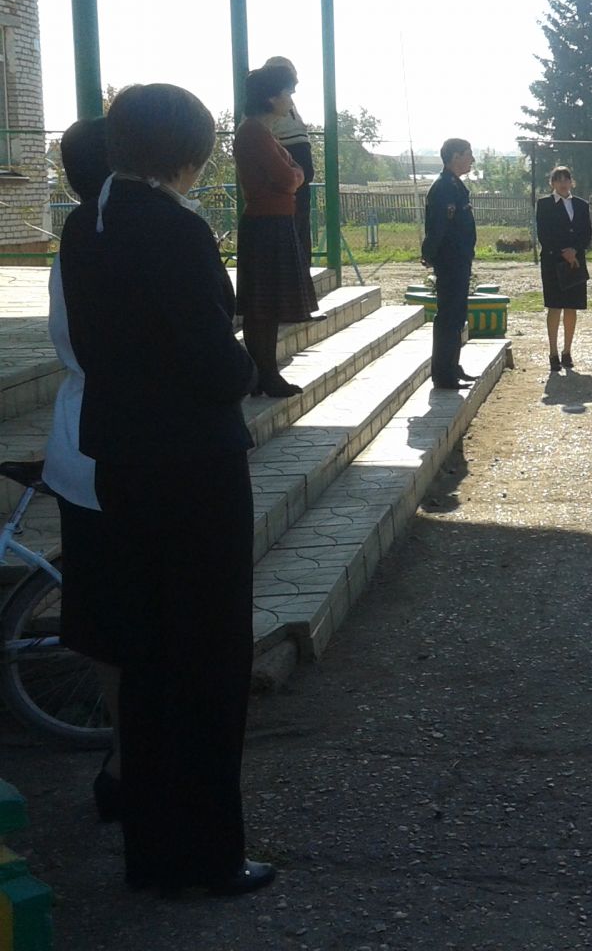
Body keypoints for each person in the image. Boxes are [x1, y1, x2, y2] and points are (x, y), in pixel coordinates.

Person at [58, 82, 270, 895]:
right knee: (207, 660)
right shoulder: (177, 228)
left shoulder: (86, 222)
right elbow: (214, 361)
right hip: (193, 468)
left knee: (146, 662)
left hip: (120, 460)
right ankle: (207, 855)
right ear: (189, 152)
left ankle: (152, 853)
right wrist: (245, 368)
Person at [46, 118, 120, 822]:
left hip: (78, 444)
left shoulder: (78, 229)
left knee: (102, 616)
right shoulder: (117, 231)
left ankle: (125, 756)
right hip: (115, 448)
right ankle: (131, 758)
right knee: (125, 616)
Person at [233, 63, 316, 397]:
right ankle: (265, 374)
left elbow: (295, 172)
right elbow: (288, 177)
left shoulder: (264, 133)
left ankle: (265, 373)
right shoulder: (253, 132)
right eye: (287, 92)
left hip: (274, 222)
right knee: (262, 307)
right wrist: (294, 174)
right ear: (270, 97)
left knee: (267, 307)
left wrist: (293, 174)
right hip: (265, 225)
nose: (290, 100)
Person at [423, 139, 479, 388]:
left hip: (459, 260)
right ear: (455, 157)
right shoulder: (444, 187)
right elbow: (438, 227)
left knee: (457, 315)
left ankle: (452, 366)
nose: (472, 159)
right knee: (448, 316)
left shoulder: (454, 184)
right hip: (450, 260)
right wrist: (429, 254)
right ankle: (443, 374)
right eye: (468, 154)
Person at [534, 165, 592, 372]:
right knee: (554, 306)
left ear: (571, 182)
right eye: (558, 180)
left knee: (571, 306)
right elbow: (544, 234)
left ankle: (567, 351)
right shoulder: (544, 204)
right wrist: (562, 252)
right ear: (552, 183)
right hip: (553, 261)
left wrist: (574, 250)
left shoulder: (581, 205)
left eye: (566, 179)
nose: (563, 183)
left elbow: (586, 233)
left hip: (575, 262)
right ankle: (553, 353)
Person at [260, 56, 316, 274]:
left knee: (301, 226)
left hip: (299, 175)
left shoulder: (286, 105)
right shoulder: (267, 108)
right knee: (292, 227)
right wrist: (296, 172)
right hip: (289, 172)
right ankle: (296, 271)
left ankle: (303, 270)